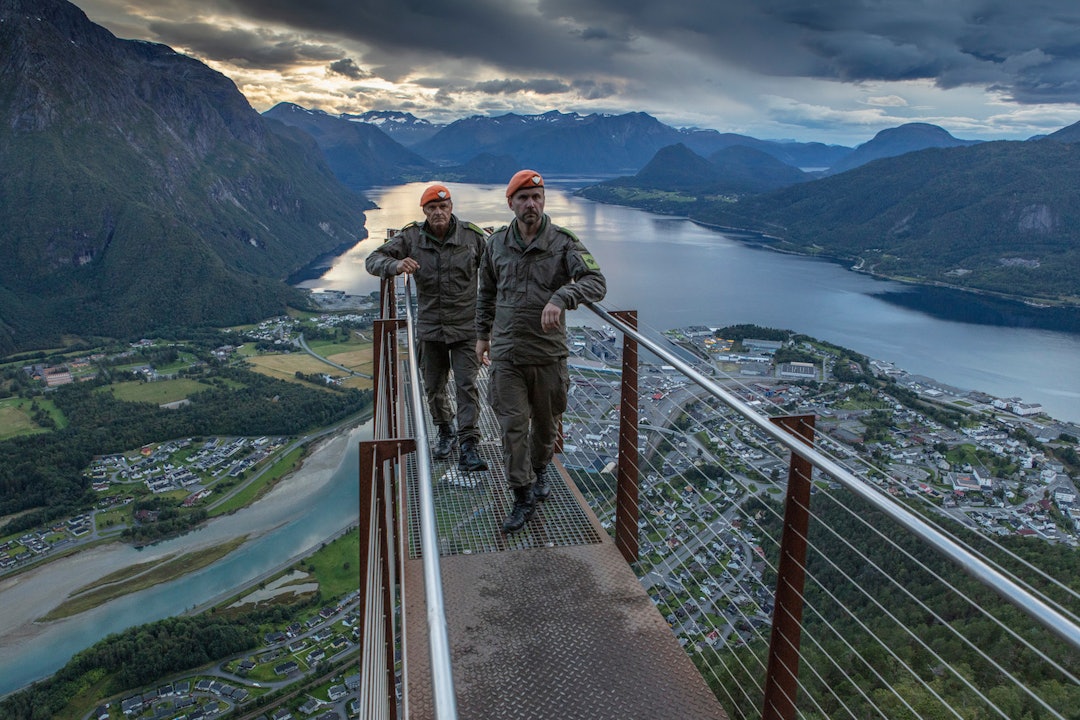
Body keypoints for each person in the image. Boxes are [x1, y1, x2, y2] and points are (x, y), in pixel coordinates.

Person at [476, 170, 607, 533]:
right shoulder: (496, 244)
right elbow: (486, 293)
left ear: (544, 200)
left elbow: (596, 282)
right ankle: (522, 495)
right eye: (523, 198)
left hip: (548, 353)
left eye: (537, 197)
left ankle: (540, 469)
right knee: (513, 426)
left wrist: (562, 296)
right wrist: (481, 336)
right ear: (511, 203)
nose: (531, 204)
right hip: (507, 354)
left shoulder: (563, 243)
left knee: (547, 426)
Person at [366, 184, 489, 472]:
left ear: (451, 207)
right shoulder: (411, 237)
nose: (438, 212)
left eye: (443, 207)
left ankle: (469, 444)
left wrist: (491, 325)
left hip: (465, 328)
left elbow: (497, 270)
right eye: (432, 208)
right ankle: (445, 430)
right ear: (424, 211)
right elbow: (373, 260)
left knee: (467, 386)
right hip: (431, 329)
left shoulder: (472, 237)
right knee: (433, 386)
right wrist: (395, 265)